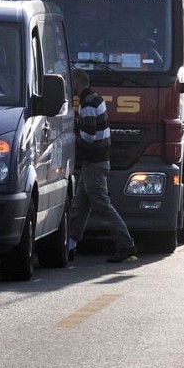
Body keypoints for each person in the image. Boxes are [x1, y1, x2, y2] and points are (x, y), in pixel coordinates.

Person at [68, 69, 137, 263]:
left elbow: (88, 136)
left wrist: (72, 131)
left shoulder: (88, 103)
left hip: (94, 163)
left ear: (76, 82)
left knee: (101, 205)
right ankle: (70, 245)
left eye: (69, 82)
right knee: (79, 207)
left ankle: (126, 244)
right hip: (94, 162)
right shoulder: (94, 98)